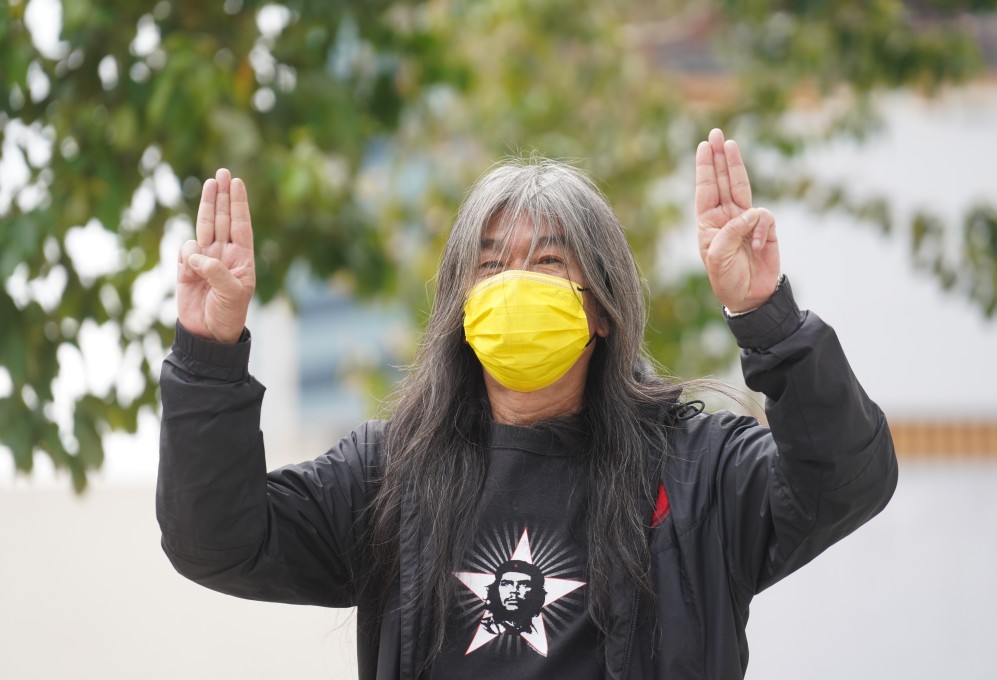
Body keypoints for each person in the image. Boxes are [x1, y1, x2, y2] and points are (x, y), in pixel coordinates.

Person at [158, 129, 897, 679]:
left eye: (547, 261)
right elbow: (217, 539)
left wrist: (765, 316)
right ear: (460, 307)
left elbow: (846, 482)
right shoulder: (389, 475)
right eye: (489, 265)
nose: (515, 283)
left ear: (601, 307)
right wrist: (208, 351)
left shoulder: (697, 472)